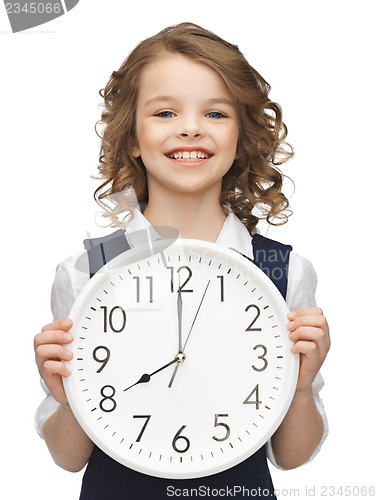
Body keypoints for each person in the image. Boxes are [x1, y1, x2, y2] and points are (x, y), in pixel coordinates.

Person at [34, 22, 330, 499]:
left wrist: (300, 387)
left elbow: (292, 457)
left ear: (240, 136)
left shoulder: (284, 272)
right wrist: (70, 400)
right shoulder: (86, 273)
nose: (190, 127)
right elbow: (68, 459)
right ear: (132, 137)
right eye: (166, 111)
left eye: (215, 113)